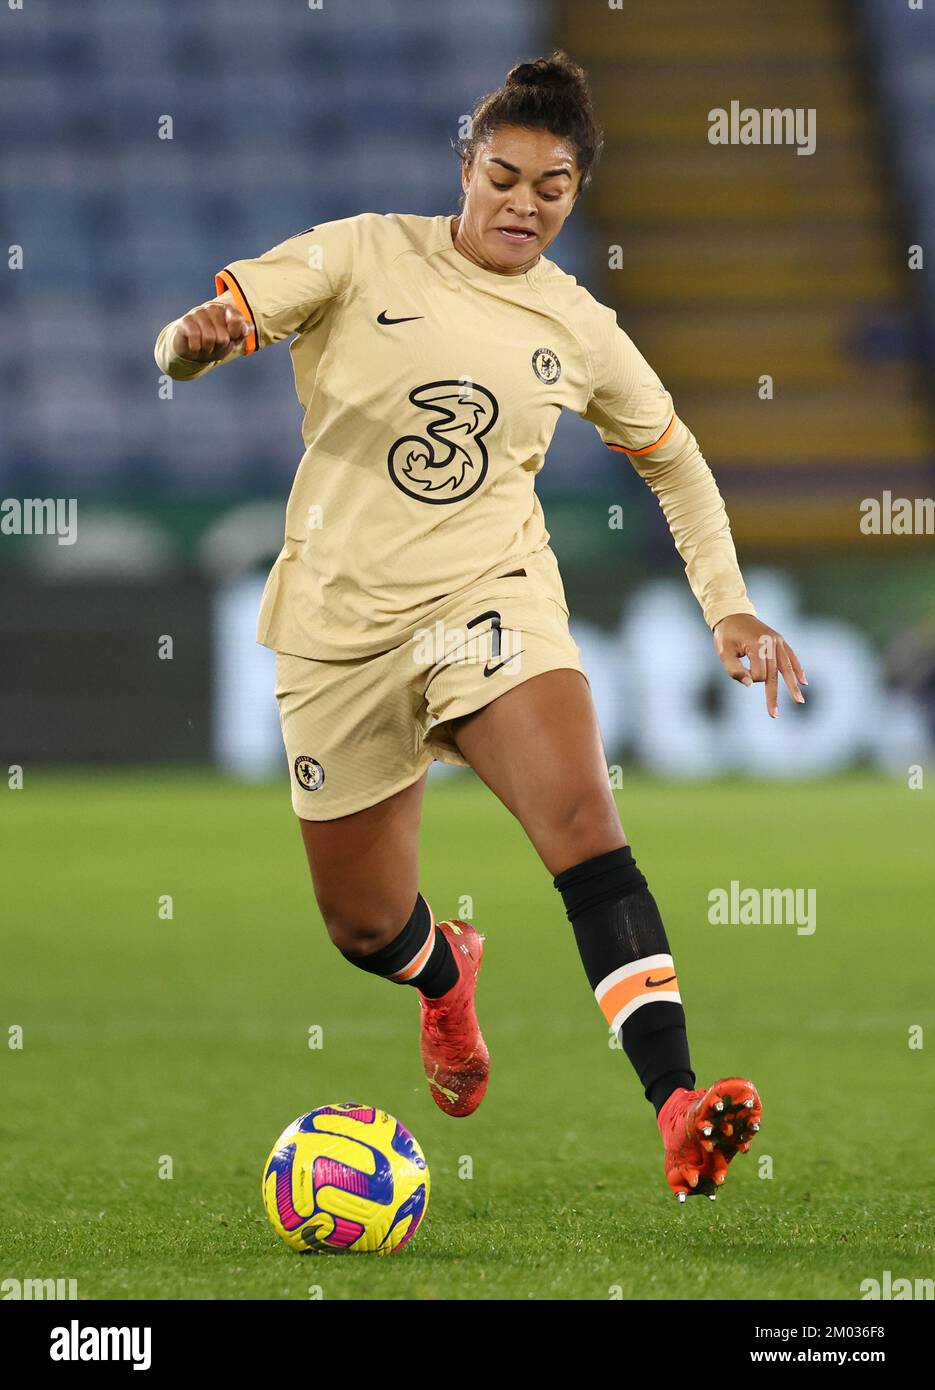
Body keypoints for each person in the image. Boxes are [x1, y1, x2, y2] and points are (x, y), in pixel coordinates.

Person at [154, 52, 805, 1201]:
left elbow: (675, 459)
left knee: (581, 822)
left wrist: (729, 604)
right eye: (502, 176)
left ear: (574, 197)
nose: (522, 204)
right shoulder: (359, 251)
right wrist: (190, 347)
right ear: (466, 167)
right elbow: (207, 327)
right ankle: (440, 974)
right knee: (361, 925)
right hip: (339, 622)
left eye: (550, 189)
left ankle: (675, 1103)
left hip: (488, 603)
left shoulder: (576, 323)